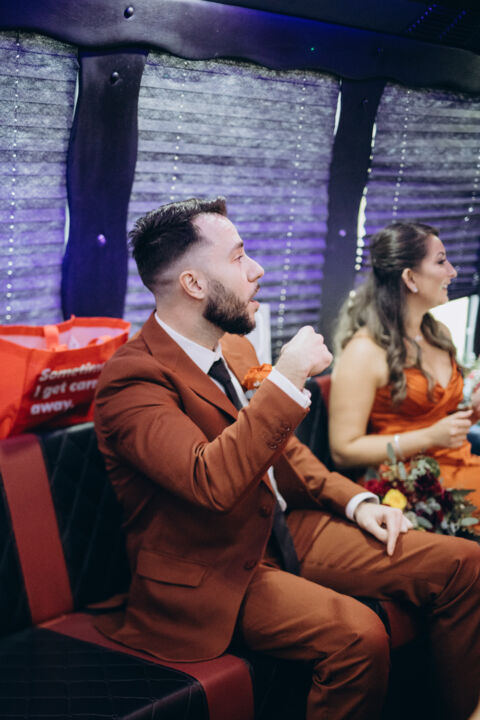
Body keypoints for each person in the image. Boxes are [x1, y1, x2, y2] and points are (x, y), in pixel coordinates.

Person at [94, 200, 480, 720]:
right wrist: (287, 378)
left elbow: (286, 452)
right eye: (238, 257)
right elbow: (209, 481)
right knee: (360, 637)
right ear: (194, 284)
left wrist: (358, 502)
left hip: (283, 527)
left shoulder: (233, 349)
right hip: (214, 564)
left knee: (464, 565)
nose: (257, 270)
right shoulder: (131, 379)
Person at [329, 220, 480, 513]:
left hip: (461, 464)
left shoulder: (439, 334)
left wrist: (472, 412)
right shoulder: (364, 351)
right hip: (412, 485)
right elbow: (343, 450)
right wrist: (428, 438)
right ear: (410, 277)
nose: (452, 272)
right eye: (441, 262)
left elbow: (439, 418)